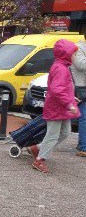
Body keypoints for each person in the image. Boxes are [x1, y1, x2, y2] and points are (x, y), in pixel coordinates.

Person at [30, 39, 80, 173]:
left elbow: (60, 88)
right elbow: (57, 89)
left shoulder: (62, 67)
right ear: (66, 54)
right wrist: (69, 103)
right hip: (57, 108)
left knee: (64, 133)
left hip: (60, 107)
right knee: (53, 135)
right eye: (74, 54)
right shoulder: (61, 68)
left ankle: (38, 148)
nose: (75, 56)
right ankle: (39, 159)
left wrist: (70, 98)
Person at [72, 37, 86, 157]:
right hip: (81, 87)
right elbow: (81, 65)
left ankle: (82, 144)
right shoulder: (79, 47)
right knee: (84, 118)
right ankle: (83, 147)